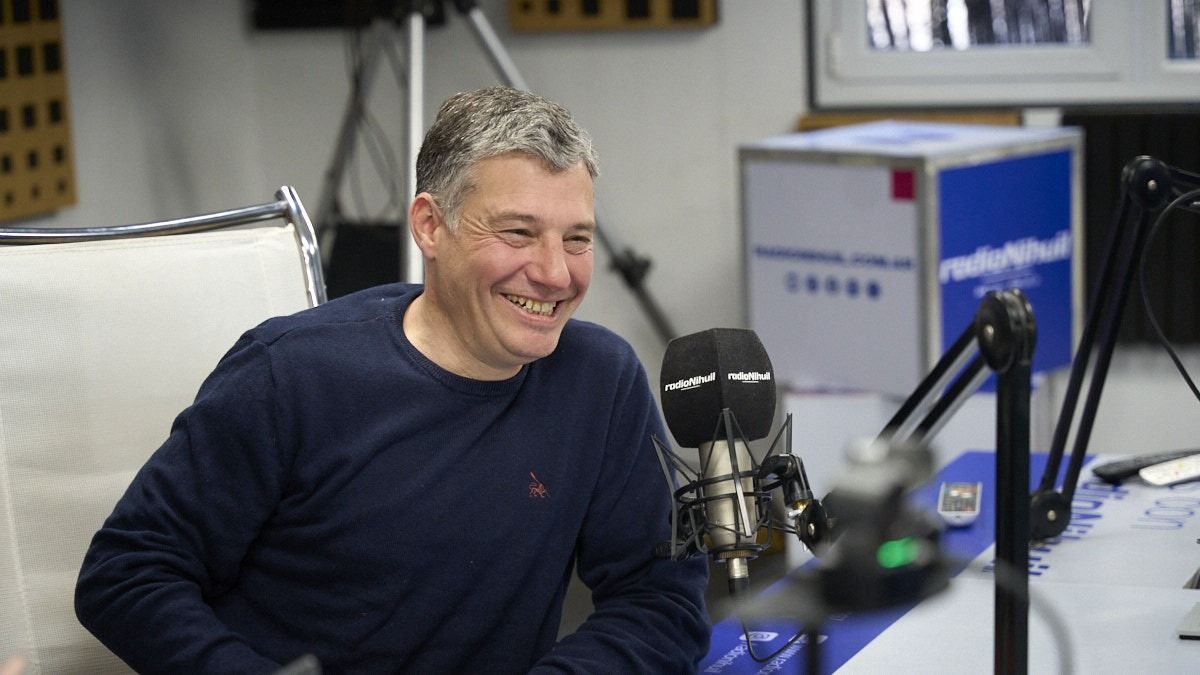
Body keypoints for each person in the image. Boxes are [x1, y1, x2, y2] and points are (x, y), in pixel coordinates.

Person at [74, 86, 710, 673]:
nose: (554, 273)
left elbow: (658, 602)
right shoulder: (291, 374)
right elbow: (127, 574)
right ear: (431, 226)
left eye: (576, 239)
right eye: (518, 232)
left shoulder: (601, 381)